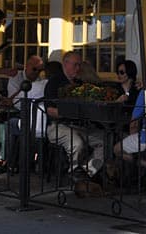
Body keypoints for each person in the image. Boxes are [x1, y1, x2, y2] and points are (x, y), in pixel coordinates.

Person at [44, 50, 106, 180]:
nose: (78, 68)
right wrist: (71, 111)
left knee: (105, 141)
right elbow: (50, 110)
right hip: (58, 126)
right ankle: (75, 175)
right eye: (75, 65)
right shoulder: (54, 82)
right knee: (76, 142)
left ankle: (86, 173)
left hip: (78, 125)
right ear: (65, 64)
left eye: (79, 65)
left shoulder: (79, 83)